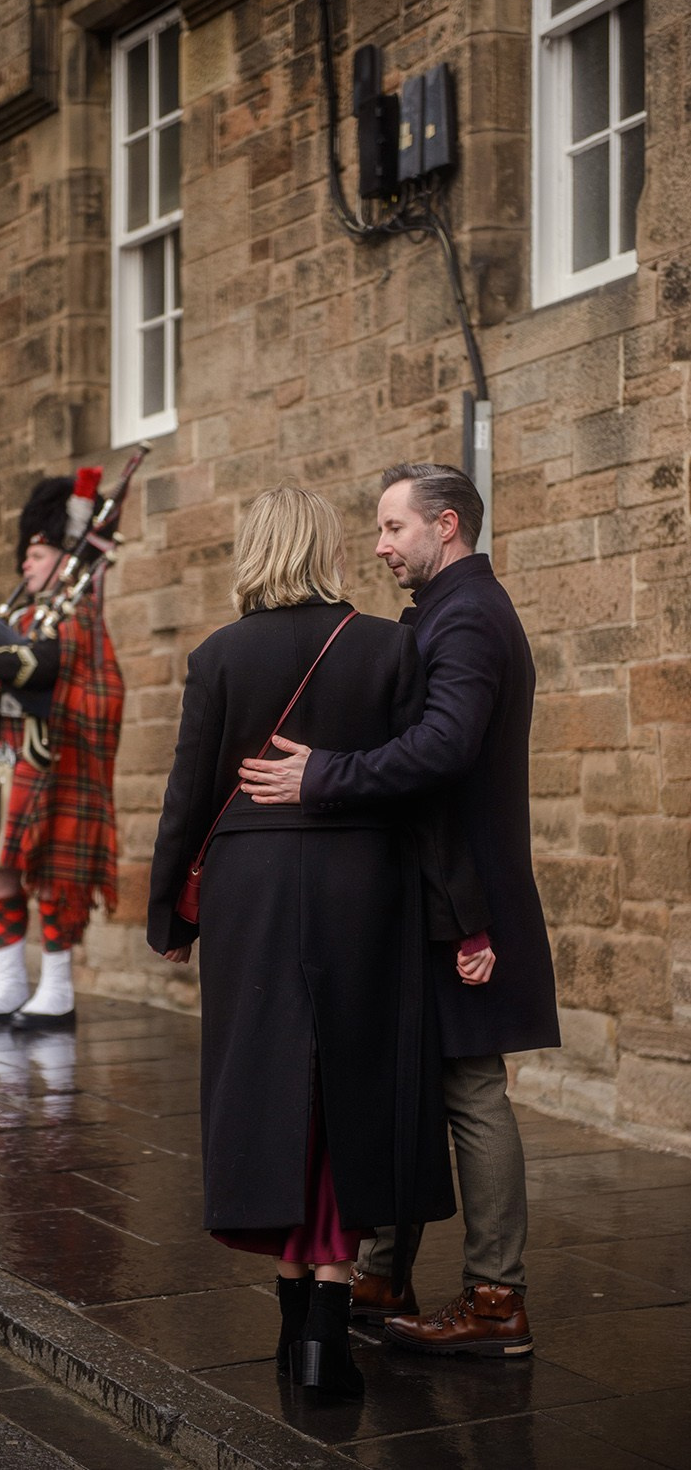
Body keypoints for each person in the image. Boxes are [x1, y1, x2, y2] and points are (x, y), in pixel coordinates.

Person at [147, 485, 493, 1396]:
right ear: (325, 549)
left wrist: (169, 916)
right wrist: (466, 917)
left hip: (248, 893)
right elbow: (428, 801)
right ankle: (327, 1335)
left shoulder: (217, 656)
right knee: (351, 1095)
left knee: (268, 1094)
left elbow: (187, 795)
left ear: (253, 551)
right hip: (361, 891)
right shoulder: (386, 646)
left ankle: (291, 1317)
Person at [239, 462, 560, 1357]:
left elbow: (442, 748)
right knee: (415, 1077)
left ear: (445, 525)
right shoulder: (450, 614)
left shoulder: (466, 619)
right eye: (377, 532)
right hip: (432, 890)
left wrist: (323, 775)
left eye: (393, 529)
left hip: (462, 898)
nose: (379, 546)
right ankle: (381, 1271)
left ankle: (496, 1299)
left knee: (469, 1086)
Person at [0, 472, 123, 1031]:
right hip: (9, 762)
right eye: (26, 553)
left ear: (64, 558)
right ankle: (8, 982)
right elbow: (8, 686)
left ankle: (58, 989)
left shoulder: (78, 613)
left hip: (58, 760)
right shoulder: (20, 617)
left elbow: (48, 666)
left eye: (37, 552)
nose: (26, 563)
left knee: (52, 873)